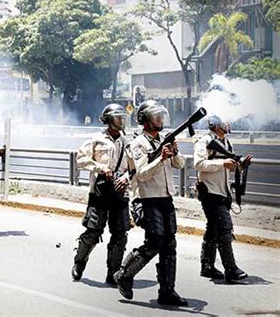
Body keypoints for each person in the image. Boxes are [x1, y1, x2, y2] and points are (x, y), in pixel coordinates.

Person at [114, 100, 188, 306]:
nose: (160, 120)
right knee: (155, 241)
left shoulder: (164, 139)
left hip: (165, 197)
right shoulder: (138, 144)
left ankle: (167, 290)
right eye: (156, 116)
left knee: (169, 243)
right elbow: (143, 174)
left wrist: (175, 152)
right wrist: (160, 158)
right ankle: (124, 274)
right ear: (145, 120)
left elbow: (180, 165)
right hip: (147, 199)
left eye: (161, 116)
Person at [72, 104, 131, 285]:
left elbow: (134, 168)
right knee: (93, 232)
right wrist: (100, 167)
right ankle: (79, 262)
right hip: (100, 193)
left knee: (120, 234)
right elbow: (80, 159)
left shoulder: (127, 142)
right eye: (117, 117)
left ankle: (113, 273)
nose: (121, 121)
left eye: (123, 117)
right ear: (108, 119)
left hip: (120, 194)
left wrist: (127, 177)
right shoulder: (96, 139)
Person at [194, 115, 252, 283]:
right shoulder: (204, 141)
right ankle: (231, 269)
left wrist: (241, 165)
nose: (228, 124)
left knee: (213, 229)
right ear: (216, 125)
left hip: (223, 191)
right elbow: (198, 164)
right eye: (225, 122)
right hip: (210, 192)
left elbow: (230, 166)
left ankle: (207, 266)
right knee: (225, 230)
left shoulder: (226, 142)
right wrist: (222, 164)